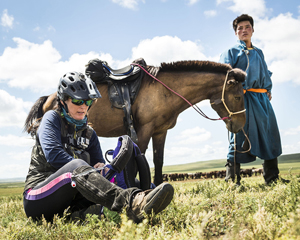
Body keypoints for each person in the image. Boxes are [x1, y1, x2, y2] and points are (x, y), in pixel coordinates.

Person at [23, 71, 174, 223]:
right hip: (38, 198)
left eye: (88, 102)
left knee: (112, 196)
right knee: (77, 166)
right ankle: (129, 203)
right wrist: (93, 170)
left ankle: (145, 196)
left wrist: (105, 170)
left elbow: (98, 168)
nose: (83, 107)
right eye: (77, 101)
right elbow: (54, 155)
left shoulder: (90, 134)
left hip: (71, 202)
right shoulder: (52, 118)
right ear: (63, 100)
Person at [219, 14, 288, 185]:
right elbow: (224, 75)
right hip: (243, 100)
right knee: (239, 137)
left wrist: (268, 90)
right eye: (240, 28)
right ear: (235, 32)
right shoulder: (231, 52)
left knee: (270, 134)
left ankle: (272, 178)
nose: (244, 30)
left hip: (262, 100)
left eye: (247, 27)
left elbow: (265, 72)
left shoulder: (259, 52)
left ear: (253, 29)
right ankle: (232, 181)